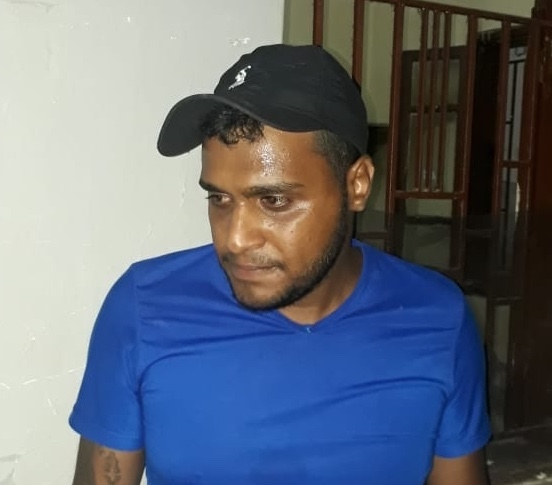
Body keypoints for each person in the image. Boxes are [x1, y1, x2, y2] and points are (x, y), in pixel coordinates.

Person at [69, 44, 491, 484]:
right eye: (219, 198)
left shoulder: (438, 317)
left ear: (357, 185)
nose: (234, 239)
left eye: (273, 200)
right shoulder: (145, 307)